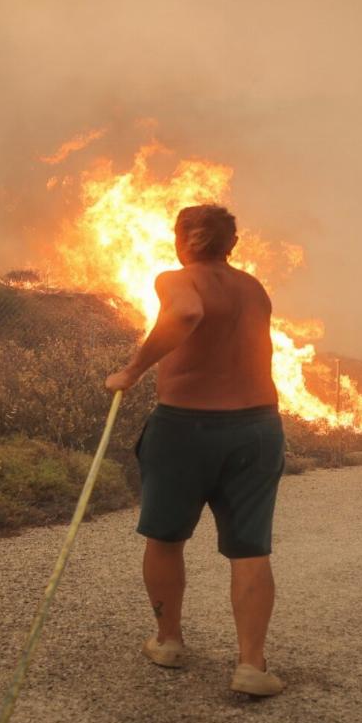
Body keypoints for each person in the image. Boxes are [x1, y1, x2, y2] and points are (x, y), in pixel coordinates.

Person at [105, 203, 286, 696]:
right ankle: (251, 666)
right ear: (232, 244)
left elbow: (187, 312)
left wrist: (132, 369)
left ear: (182, 240)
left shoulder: (176, 278)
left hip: (186, 428)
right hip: (256, 428)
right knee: (250, 547)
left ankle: (168, 642)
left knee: (166, 537)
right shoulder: (254, 287)